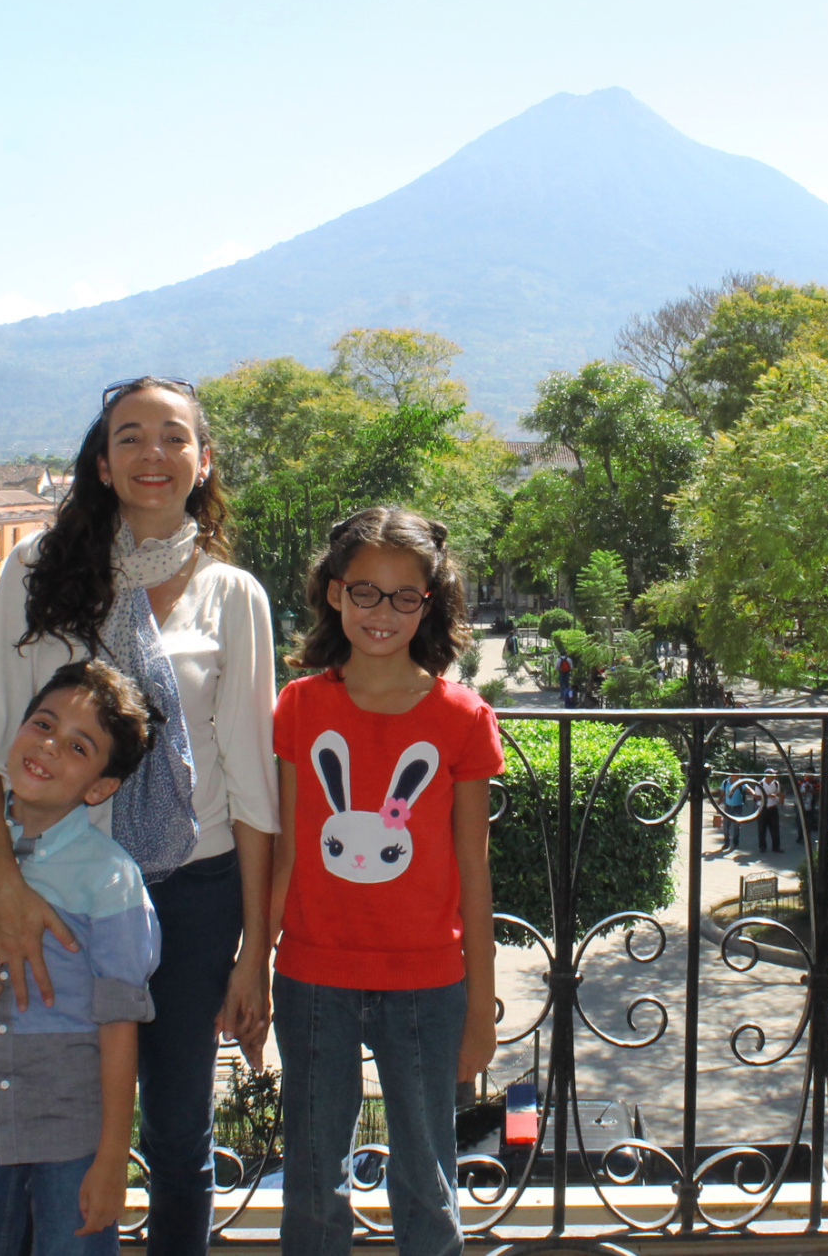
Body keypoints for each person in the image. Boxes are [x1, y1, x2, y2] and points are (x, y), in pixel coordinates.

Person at [0, 376, 279, 1256]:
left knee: (176, 1136)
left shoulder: (234, 595)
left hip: (190, 893)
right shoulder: (38, 572)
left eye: (174, 437)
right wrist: (3, 889)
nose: (152, 454)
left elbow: (251, 789)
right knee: (30, 1125)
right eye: (130, 436)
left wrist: (254, 954)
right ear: (103, 460)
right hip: (52, 896)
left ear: (204, 462)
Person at [266, 508, 501, 1256]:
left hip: (429, 984)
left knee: (428, 1176)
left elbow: (473, 869)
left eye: (406, 595)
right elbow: (288, 850)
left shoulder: (462, 717)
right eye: (366, 590)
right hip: (311, 975)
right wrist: (252, 962)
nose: (383, 612)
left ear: (431, 603)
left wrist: (481, 1005)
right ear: (335, 593)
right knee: (310, 1176)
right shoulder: (299, 706)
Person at [0, 661, 163, 1256]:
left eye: (77, 745)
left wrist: (110, 1159)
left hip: (70, 1122)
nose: (48, 746)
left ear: (99, 787)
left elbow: (121, 1020)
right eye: (43, 724)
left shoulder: (110, 879)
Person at [758, 770, 784, 854]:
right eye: (772, 774)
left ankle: (776, 847)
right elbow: (757, 797)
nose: (774, 776)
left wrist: (781, 797)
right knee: (762, 828)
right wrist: (768, 796)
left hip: (773, 808)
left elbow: (778, 793)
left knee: (775, 828)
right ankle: (762, 847)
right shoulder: (760, 784)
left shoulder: (776, 783)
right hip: (762, 808)